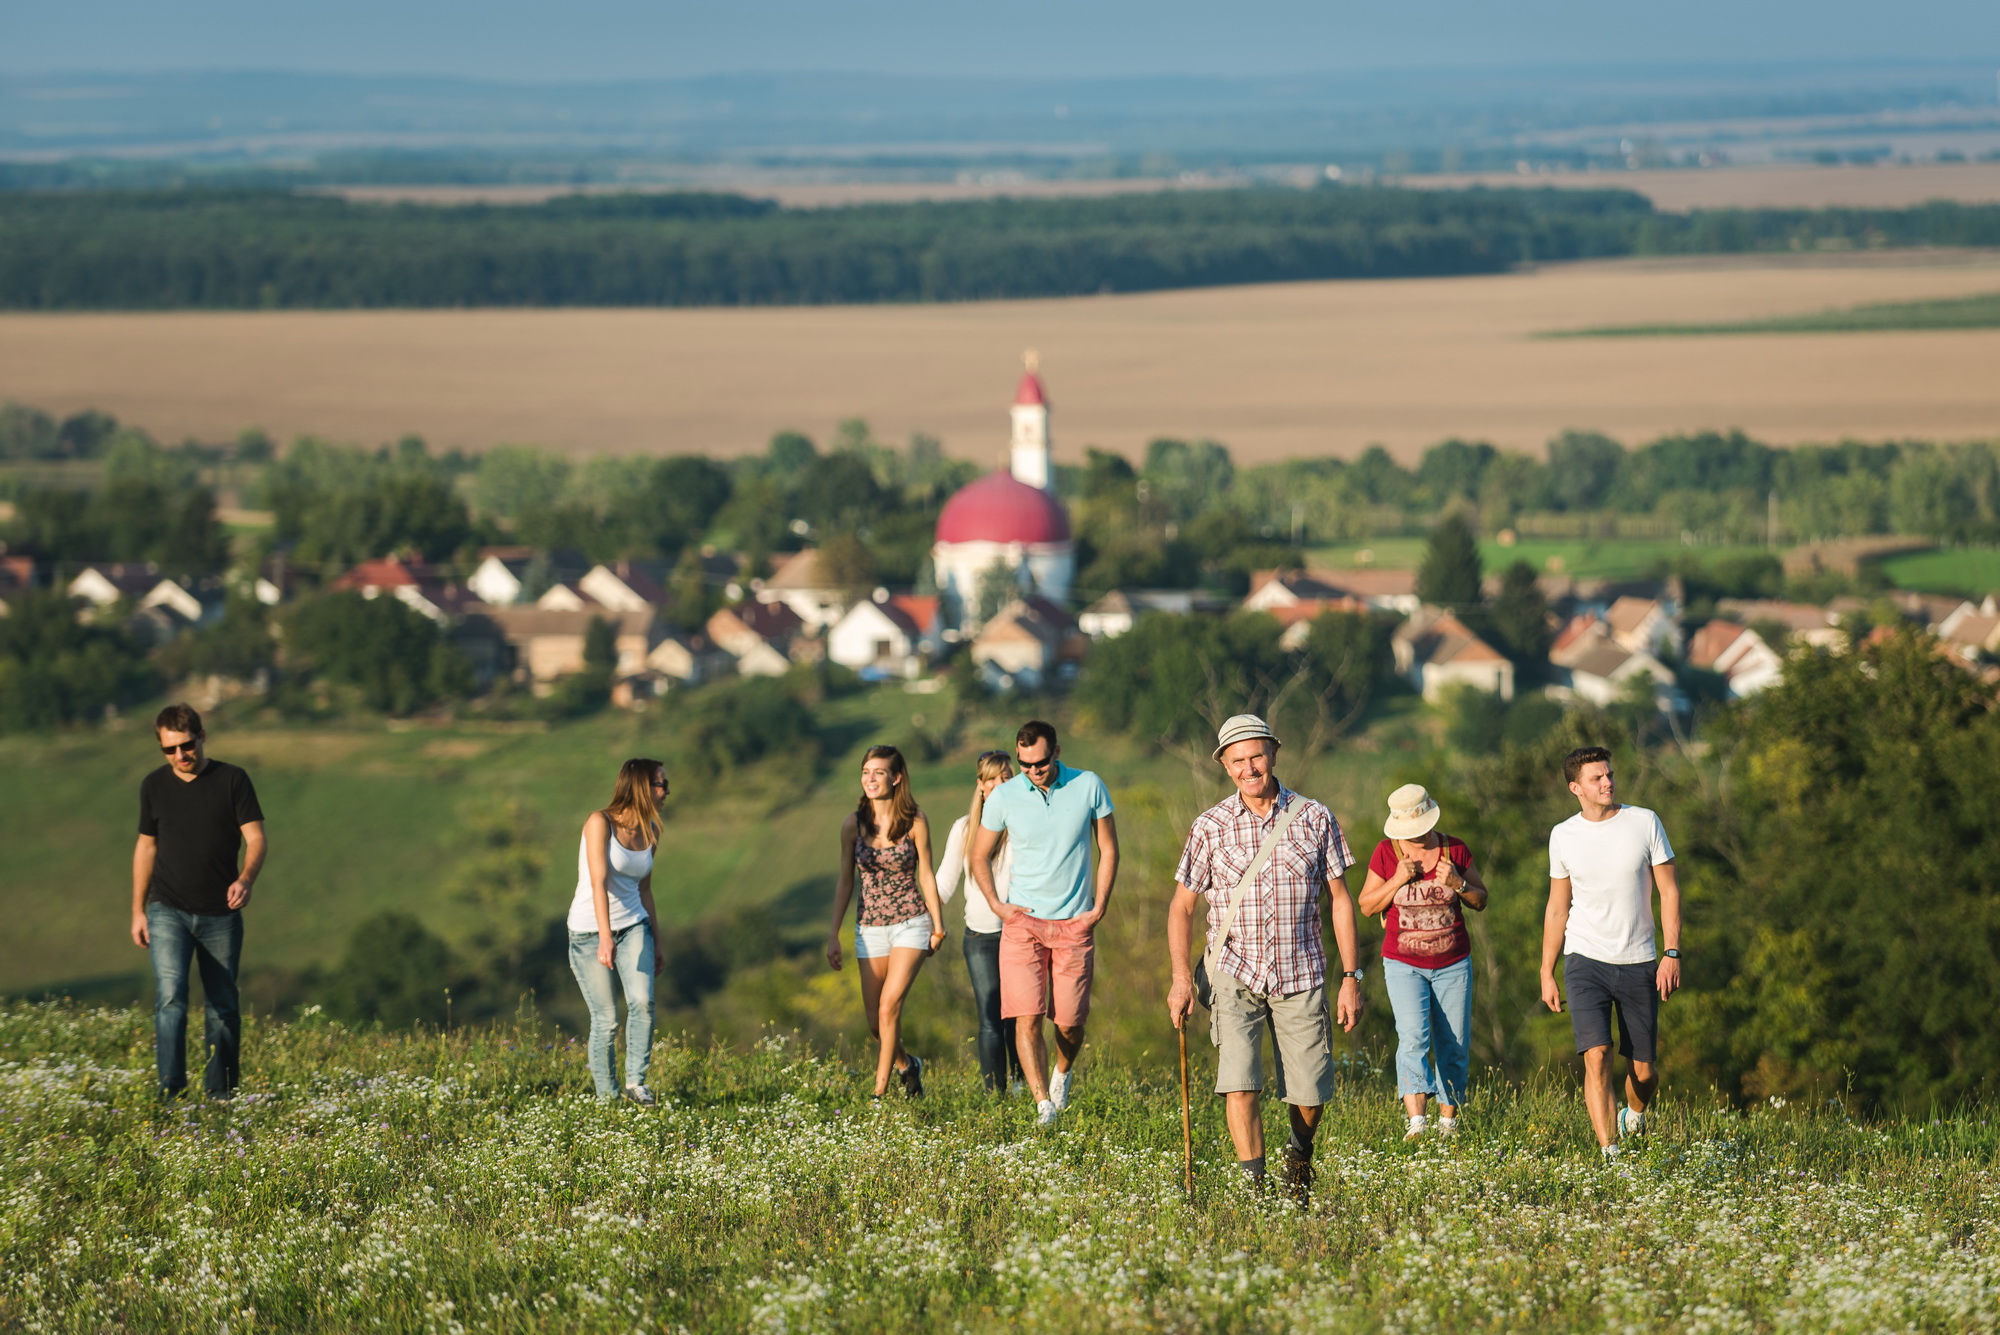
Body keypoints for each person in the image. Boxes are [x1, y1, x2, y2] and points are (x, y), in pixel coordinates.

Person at [1167, 714, 1362, 1201]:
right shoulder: (1209, 827)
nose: (1249, 768)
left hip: (1302, 971)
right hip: (1233, 971)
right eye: (1237, 761)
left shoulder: (1316, 817)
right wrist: (1179, 978)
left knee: (1312, 1092)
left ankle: (1298, 1157)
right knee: (1240, 1084)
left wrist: (1351, 976)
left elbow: (1340, 898)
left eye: (1256, 756)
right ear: (1224, 766)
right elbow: (1182, 906)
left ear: (1275, 753)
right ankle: (1255, 1190)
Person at [969, 719, 1118, 1129]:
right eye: (1024, 763)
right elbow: (978, 855)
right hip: (1022, 923)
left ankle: (1062, 1075)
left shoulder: (1088, 785)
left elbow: (1108, 847)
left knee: (1070, 1023)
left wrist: (1099, 905)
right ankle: (1043, 1107)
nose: (1032, 770)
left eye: (1039, 762)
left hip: (1074, 922)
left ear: (1056, 752)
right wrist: (998, 906)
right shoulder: (1005, 797)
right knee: (1026, 1016)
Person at [1540, 745, 1683, 1160]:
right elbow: (1556, 906)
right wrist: (1547, 970)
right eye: (1596, 778)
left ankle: (1634, 1117)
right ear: (1575, 788)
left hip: (1639, 960)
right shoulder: (1563, 834)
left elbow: (1669, 890)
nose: (1607, 782)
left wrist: (1671, 952)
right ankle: (1611, 1155)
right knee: (1597, 1055)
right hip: (1585, 959)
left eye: (1609, 775)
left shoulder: (1645, 822)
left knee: (1645, 1072)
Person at [130, 703, 267, 1100]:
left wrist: (245, 879)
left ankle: (220, 1092)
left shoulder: (232, 780)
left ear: (202, 736)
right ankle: (171, 1093)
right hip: (166, 908)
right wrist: (137, 909)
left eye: (186, 746)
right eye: (169, 750)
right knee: (170, 997)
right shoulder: (153, 786)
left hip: (220, 913)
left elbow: (256, 839)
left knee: (222, 1004)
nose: (180, 756)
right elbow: (146, 846)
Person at [1357, 784, 1489, 1141]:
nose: (1415, 837)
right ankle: (1417, 1123)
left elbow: (1481, 899)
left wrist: (1458, 883)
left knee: (1454, 1042)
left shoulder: (1455, 848)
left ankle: (1449, 1122)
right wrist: (1398, 879)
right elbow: (1367, 905)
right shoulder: (1386, 853)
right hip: (1403, 964)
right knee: (1413, 1037)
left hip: (1453, 962)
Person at [826, 745, 947, 1098]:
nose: (870, 779)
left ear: (896, 778)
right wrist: (833, 934)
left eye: (879, 772)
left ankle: (878, 1094)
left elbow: (926, 874)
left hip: (911, 921)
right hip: (870, 927)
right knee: (875, 1023)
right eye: (866, 772)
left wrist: (937, 924)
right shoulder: (852, 824)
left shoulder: (916, 821)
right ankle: (907, 1065)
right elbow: (845, 881)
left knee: (889, 1006)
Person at [566, 757, 669, 1105]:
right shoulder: (600, 822)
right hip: (589, 932)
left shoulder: (651, 831)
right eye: (660, 784)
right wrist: (605, 938)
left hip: (634, 925)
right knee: (607, 1019)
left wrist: (657, 942)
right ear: (641, 786)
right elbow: (598, 882)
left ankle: (636, 1083)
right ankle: (606, 1099)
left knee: (642, 1001)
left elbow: (645, 890)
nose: (666, 791)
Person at [934, 751, 1029, 1094]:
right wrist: (923, 915)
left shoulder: (1024, 824)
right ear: (981, 786)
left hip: (1021, 933)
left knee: (1020, 1016)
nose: (1000, 784)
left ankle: (1023, 1083)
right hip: (980, 936)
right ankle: (995, 1095)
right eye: (992, 778)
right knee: (990, 1018)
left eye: (1006, 776)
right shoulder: (964, 829)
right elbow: (944, 882)